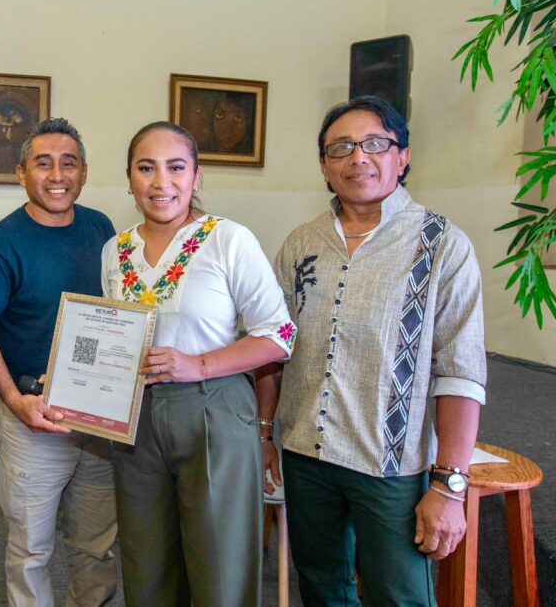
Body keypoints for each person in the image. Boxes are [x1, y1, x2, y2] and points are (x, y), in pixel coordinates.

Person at [260, 96, 486, 605]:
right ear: (323, 165)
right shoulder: (301, 244)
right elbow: (273, 348)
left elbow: (461, 372)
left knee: (399, 595)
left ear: (402, 157)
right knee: (321, 587)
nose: (357, 157)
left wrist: (449, 486)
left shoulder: (442, 245)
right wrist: (265, 432)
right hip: (305, 455)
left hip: (390, 466)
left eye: (375, 144)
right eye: (340, 147)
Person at [101, 121, 295, 606]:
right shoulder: (115, 250)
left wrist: (201, 365)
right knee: (146, 566)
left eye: (176, 167)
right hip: (137, 422)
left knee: (219, 568)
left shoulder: (228, 240)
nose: (161, 182)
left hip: (214, 411)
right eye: (146, 168)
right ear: (129, 178)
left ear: (196, 176)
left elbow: (279, 335)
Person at [0, 117, 118, 606]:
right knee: (31, 551)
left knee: (97, 547)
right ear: (20, 173)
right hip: (33, 416)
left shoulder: (102, 228)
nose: (57, 175)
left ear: (84, 173)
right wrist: (12, 398)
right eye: (43, 163)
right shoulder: (0, 243)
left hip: (98, 421)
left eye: (68, 163)